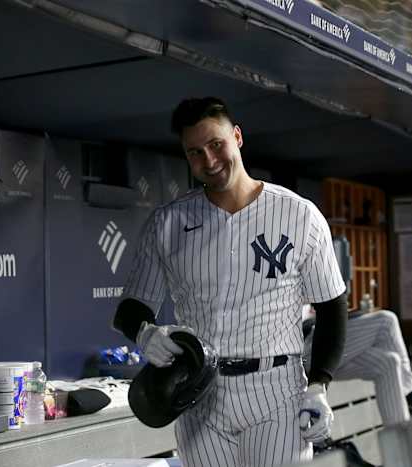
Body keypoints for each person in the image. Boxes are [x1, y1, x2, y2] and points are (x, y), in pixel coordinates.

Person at [113, 97, 348, 466]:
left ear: (237, 137)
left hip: (276, 391)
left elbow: (333, 308)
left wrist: (319, 384)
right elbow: (130, 307)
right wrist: (145, 332)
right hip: (198, 391)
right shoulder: (168, 223)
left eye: (216, 144)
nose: (208, 161)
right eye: (195, 152)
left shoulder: (300, 215)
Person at [302, 303, 412, 427]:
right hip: (304, 351)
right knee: (387, 321)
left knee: (389, 362)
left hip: (320, 349)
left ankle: (399, 441)